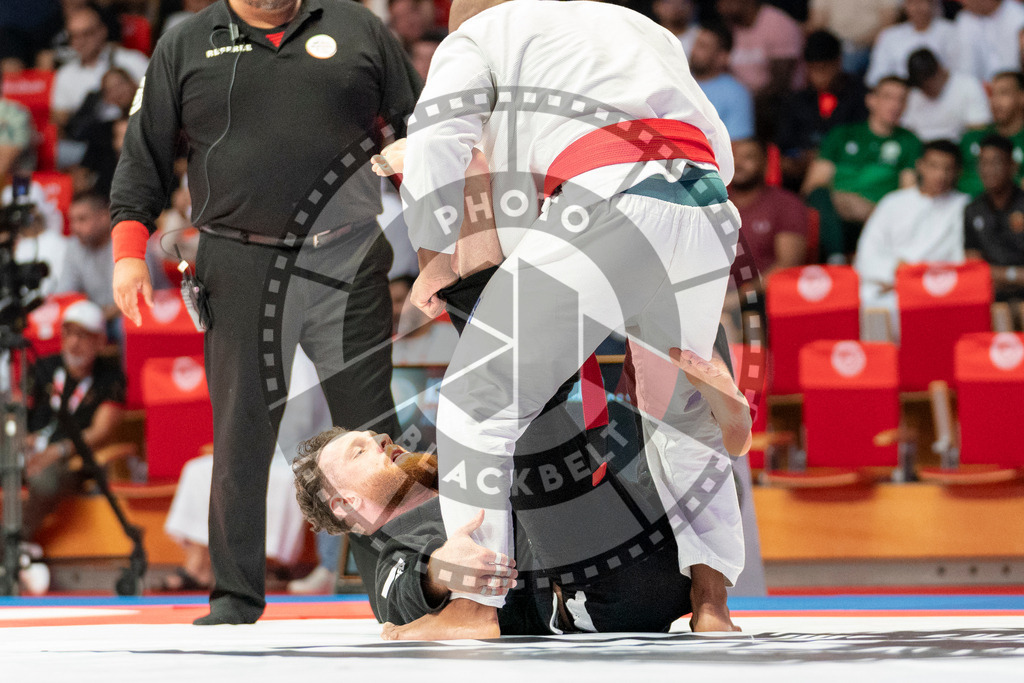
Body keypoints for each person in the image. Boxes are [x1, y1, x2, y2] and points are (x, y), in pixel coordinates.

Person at [398, 0, 745, 640]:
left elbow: (435, 140)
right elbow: (720, 145)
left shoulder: (478, 33)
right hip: (705, 204)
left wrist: (434, 255)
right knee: (684, 414)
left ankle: (473, 608)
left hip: (605, 197)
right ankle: (713, 607)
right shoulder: (637, 25)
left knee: (479, 401)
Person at [109, 0, 420, 625]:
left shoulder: (356, 27)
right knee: (241, 432)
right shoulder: (188, 44)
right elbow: (143, 149)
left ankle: (400, 595)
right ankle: (234, 598)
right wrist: (127, 252)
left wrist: (443, 237)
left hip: (349, 257)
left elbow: (423, 131)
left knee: (370, 437)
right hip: (240, 260)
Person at [291, 345, 752, 637]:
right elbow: (403, 595)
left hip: (672, 556)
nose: (379, 439)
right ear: (345, 503)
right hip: (592, 595)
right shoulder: (393, 553)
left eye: (371, 436)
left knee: (674, 357)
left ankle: (709, 598)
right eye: (359, 452)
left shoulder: (461, 463)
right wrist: (441, 571)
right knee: (519, 423)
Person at [21, 301, 126, 590]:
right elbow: (19, 412)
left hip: (73, 459)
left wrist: (60, 449)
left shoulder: (110, 376)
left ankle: (15, 541)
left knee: (45, 479)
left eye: (84, 335)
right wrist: (23, 440)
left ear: (100, 340)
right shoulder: (44, 366)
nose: (74, 342)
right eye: (69, 333)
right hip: (31, 448)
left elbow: (102, 430)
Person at [803, 76, 922, 260]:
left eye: (901, 99)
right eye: (888, 97)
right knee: (819, 196)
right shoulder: (841, 134)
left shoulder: (909, 141)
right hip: (835, 216)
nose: (895, 104)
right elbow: (812, 187)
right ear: (871, 100)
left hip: (879, 218)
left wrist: (872, 210)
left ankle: (838, 259)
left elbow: (908, 194)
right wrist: (847, 201)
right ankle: (837, 258)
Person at [854, 139, 968, 322]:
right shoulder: (893, 203)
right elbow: (867, 254)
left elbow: (961, 259)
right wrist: (898, 274)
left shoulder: (964, 207)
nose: (940, 174)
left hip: (937, 290)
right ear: (920, 166)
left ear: (958, 172)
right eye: (934, 166)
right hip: (889, 286)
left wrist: (914, 280)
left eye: (948, 168)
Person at [776, 30, 868, 191]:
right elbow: (784, 144)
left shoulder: (860, 96)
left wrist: (824, 156)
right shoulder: (796, 101)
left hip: (846, 172)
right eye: (813, 69)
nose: (818, 76)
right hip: (800, 172)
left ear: (838, 63)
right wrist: (799, 157)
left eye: (823, 69)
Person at [50, 5, 148, 132]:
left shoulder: (133, 60)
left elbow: (158, 99)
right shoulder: (65, 74)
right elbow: (60, 120)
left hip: (132, 130)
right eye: (74, 36)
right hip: (90, 140)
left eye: (87, 34)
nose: (81, 41)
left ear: (102, 31)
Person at [964, 134, 1024, 310]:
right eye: (983, 163)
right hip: (992, 293)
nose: (988, 170)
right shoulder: (973, 210)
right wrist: (1014, 275)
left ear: (1012, 166)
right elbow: (973, 265)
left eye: (996, 162)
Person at [901, 48, 991, 143]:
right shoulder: (914, 93)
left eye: (927, 82)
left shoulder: (968, 85)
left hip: (956, 148)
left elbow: (978, 128)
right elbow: (907, 129)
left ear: (939, 71)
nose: (923, 88)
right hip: (920, 150)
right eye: (920, 84)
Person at [866, 0, 959, 87]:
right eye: (912, 3)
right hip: (900, 96)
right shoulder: (889, 36)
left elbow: (957, 72)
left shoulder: (950, 32)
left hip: (937, 94)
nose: (917, 8)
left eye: (922, 2)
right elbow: (876, 76)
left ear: (932, 4)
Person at [960, 71, 1024, 196]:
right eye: (992, 94)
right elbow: (955, 180)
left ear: (1022, 97)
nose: (995, 101)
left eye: (1004, 93)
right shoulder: (971, 138)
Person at [689, 22, 755, 142]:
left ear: (722, 57)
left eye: (703, 46)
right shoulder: (677, 81)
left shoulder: (736, 93)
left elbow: (738, 144)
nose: (694, 51)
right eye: (696, 44)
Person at [806, 0, 900, 76]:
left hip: (871, 44)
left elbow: (888, 22)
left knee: (850, 58)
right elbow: (818, 22)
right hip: (833, 45)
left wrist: (861, 43)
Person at [953, 0, 1024, 83]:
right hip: (980, 88)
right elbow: (965, 66)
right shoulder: (964, 19)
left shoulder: (1019, 16)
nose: (962, 3)